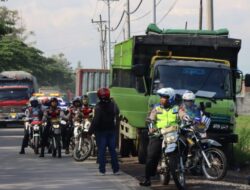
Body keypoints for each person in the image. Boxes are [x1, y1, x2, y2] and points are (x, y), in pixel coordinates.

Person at [139, 87, 179, 186]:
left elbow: (183, 115)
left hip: (174, 132)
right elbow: (150, 119)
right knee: (151, 155)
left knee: (186, 142)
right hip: (159, 133)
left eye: (164, 97)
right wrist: (151, 127)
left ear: (171, 98)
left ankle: (184, 163)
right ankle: (147, 179)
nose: (162, 99)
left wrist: (187, 118)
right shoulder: (156, 108)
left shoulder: (177, 108)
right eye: (161, 97)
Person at [88, 87, 120, 175]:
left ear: (99, 96)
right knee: (112, 150)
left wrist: (90, 131)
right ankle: (116, 169)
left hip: (101, 131)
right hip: (111, 130)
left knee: (101, 150)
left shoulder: (98, 106)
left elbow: (96, 120)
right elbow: (117, 112)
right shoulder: (113, 104)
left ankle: (102, 170)